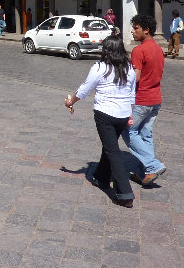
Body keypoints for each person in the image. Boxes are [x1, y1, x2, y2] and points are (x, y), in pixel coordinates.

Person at [65, 36, 137, 207]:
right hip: (123, 115)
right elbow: (132, 94)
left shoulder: (99, 67)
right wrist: (131, 115)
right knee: (109, 146)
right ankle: (101, 177)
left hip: (105, 114)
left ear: (106, 50)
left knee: (113, 151)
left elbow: (84, 89)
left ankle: (125, 194)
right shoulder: (129, 68)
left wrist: (70, 102)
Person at [122, 14, 166, 186]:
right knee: (146, 135)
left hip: (142, 99)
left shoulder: (138, 51)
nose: (132, 31)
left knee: (128, 131)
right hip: (156, 99)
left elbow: (136, 78)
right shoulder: (158, 48)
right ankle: (146, 172)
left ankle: (153, 165)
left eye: (136, 28)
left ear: (146, 30)